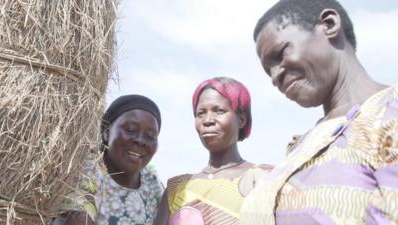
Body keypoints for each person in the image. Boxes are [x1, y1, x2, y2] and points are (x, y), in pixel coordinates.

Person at [239, 0, 398, 224]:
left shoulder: (388, 114)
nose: (275, 77)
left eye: (280, 54)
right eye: (268, 71)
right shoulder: (303, 147)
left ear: (329, 24)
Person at [154, 77, 272, 225]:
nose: (207, 120)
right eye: (200, 113)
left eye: (219, 111)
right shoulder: (177, 188)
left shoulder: (263, 178)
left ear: (241, 120)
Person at [56, 95, 164, 225]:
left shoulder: (153, 186)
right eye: (130, 129)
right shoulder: (87, 172)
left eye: (150, 136)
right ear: (107, 132)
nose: (140, 140)